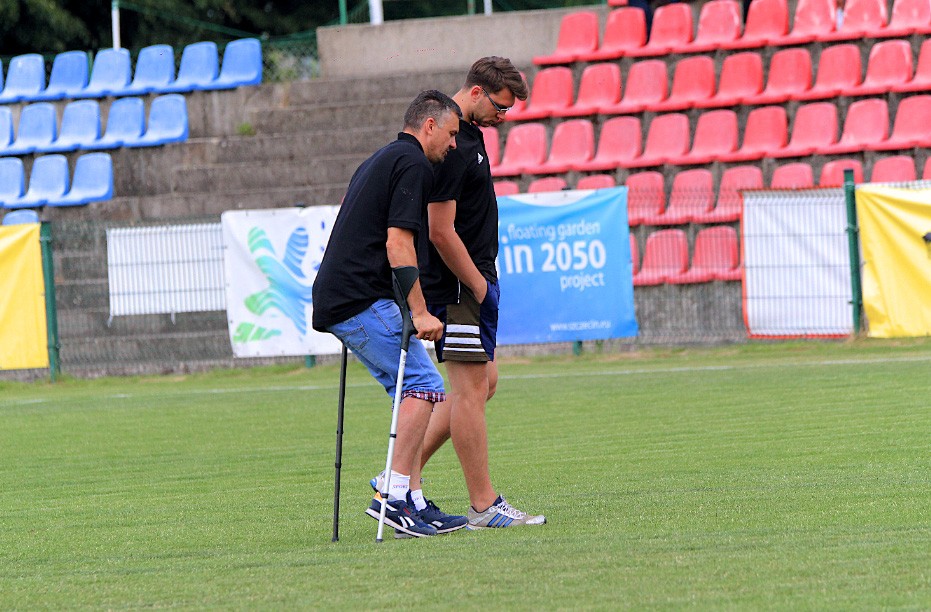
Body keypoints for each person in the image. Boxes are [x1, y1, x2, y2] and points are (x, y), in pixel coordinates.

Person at [312, 90, 468, 539]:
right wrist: (419, 312)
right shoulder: (413, 163)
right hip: (358, 298)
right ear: (429, 125)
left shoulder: (383, 158)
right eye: (451, 134)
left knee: (413, 391)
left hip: (348, 295)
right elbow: (398, 244)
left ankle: (412, 500)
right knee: (423, 385)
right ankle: (392, 495)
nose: (453, 144)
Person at [422, 57, 545, 528]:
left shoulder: (469, 136)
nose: (503, 116)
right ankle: (483, 506)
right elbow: (439, 228)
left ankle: (399, 475)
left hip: (474, 280)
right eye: (500, 106)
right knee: (471, 389)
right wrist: (476, 283)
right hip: (459, 284)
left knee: (483, 383)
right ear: (476, 92)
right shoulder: (452, 144)